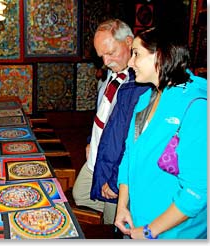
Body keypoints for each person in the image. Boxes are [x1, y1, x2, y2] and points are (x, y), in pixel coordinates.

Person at [115, 27, 207, 239]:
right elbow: (130, 154)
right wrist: (122, 206)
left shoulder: (197, 106)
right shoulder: (145, 98)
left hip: (175, 233)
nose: (130, 63)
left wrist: (150, 231)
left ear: (160, 55)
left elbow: (197, 191)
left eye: (136, 54)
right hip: (140, 218)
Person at [72, 19, 150, 224]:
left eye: (111, 52)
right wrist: (91, 139)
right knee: (80, 194)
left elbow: (135, 142)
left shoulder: (141, 84)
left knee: (111, 222)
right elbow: (102, 113)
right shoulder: (113, 72)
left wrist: (115, 180)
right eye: (101, 56)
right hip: (98, 153)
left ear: (129, 42)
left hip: (115, 166)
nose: (105, 61)